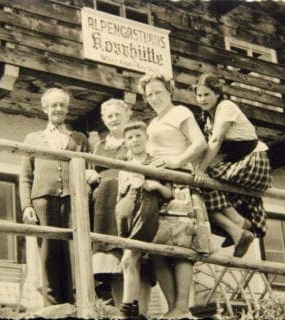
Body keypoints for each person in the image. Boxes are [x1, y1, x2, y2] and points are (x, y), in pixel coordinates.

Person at [138, 73, 208, 319]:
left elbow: (200, 143)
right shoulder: (153, 124)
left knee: (181, 248)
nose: (154, 98)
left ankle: (182, 307)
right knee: (157, 248)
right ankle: (172, 309)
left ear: (169, 90)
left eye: (158, 92)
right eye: (149, 95)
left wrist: (176, 162)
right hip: (159, 186)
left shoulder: (181, 113)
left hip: (178, 183)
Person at [19, 88, 89, 306]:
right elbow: (25, 176)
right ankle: (52, 306)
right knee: (48, 251)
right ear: (45, 108)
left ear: (67, 109)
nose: (58, 109)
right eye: (53, 105)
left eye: (62, 105)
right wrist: (26, 206)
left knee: (74, 250)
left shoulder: (78, 138)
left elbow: (90, 171)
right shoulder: (32, 138)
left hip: (73, 200)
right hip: (42, 201)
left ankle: (77, 304)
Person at [192, 74, 272, 257]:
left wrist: (200, 170)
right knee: (200, 194)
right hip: (238, 162)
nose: (202, 99)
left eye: (207, 94)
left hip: (254, 160)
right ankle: (238, 230)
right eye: (199, 95)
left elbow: (217, 140)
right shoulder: (207, 116)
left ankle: (238, 222)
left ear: (218, 93)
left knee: (204, 182)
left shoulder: (226, 107)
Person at [85, 99, 152, 314]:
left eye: (117, 115)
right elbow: (91, 170)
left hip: (129, 202)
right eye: (109, 116)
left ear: (127, 115)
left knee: (134, 256)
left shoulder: (133, 140)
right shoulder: (99, 146)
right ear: (104, 121)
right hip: (104, 208)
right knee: (113, 263)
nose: (114, 119)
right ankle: (124, 314)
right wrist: (91, 174)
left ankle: (141, 312)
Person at [115, 121, 173, 318]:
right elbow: (120, 194)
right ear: (125, 142)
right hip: (125, 213)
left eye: (138, 135)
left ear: (146, 137)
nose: (134, 140)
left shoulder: (156, 163)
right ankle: (134, 311)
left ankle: (125, 310)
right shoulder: (124, 165)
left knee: (128, 259)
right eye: (130, 138)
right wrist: (124, 188)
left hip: (145, 211)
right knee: (133, 260)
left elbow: (169, 193)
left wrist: (154, 185)